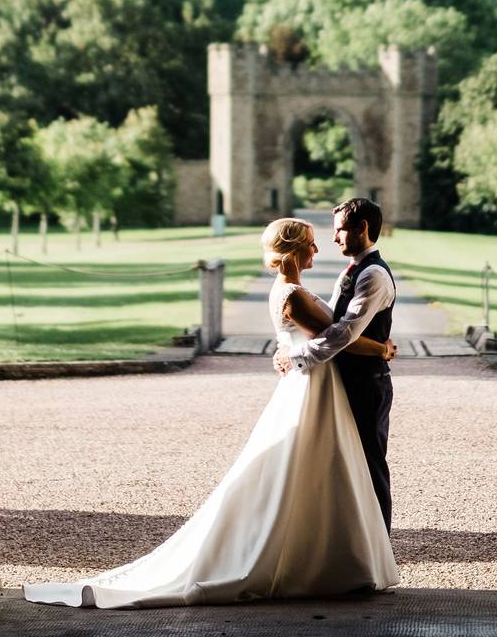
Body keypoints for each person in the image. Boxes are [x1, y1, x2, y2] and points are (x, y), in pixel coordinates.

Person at [21, 216, 399, 609]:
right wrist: (381, 349)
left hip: (314, 385)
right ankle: (320, 560)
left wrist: (292, 351)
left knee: (317, 468)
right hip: (312, 386)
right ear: (294, 249)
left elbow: (329, 335)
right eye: (310, 243)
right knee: (308, 466)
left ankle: (329, 555)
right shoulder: (295, 296)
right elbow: (339, 337)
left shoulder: (289, 289)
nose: (317, 250)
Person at [274, 198, 397, 535]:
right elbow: (330, 321)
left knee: (370, 466)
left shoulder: (373, 275)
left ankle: (378, 547)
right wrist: (290, 345)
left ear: (363, 228)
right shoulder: (353, 269)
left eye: (341, 230)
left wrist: (298, 357)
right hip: (346, 379)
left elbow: (343, 333)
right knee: (344, 467)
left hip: (367, 383)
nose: (334, 238)